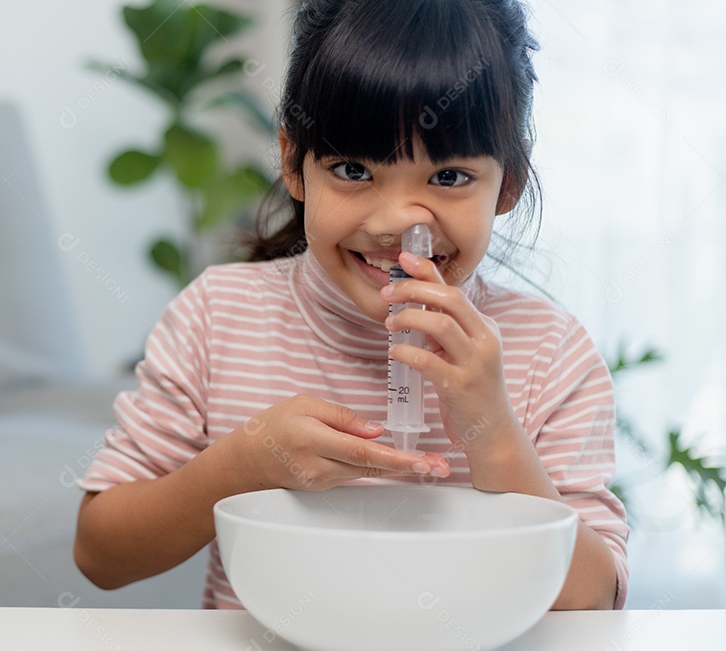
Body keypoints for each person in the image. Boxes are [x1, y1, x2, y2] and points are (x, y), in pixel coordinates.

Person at [74, 0, 629, 611]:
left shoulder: (548, 353)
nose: (396, 222)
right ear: (294, 165)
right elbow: (101, 555)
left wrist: (493, 431)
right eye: (352, 169)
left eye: (448, 177)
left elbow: (595, 602)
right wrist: (241, 465)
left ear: (511, 182)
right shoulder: (215, 319)